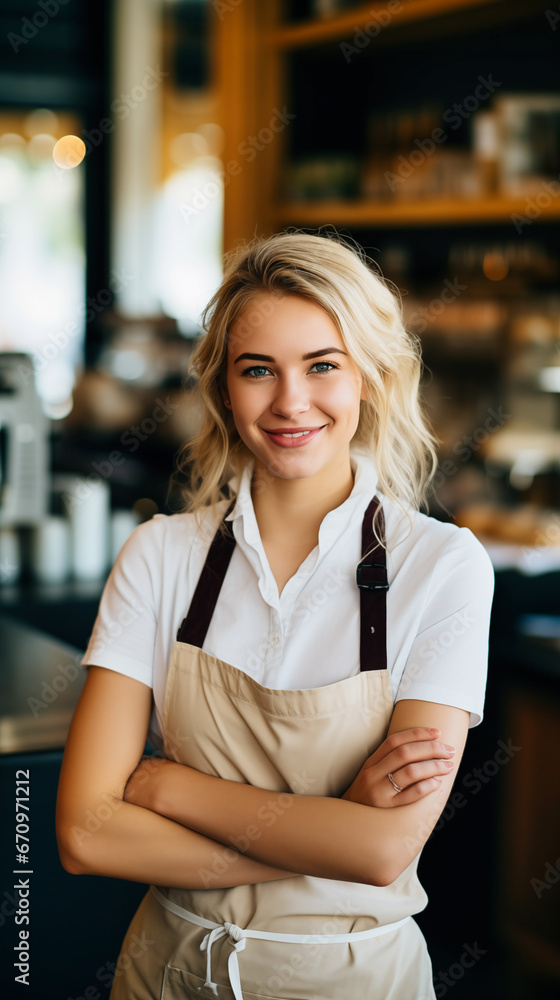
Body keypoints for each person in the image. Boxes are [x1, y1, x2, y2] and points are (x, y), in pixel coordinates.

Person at [56, 230, 495, 1000]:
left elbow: (386, 849)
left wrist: (170, 789)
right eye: (258, 370)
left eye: (322, 365)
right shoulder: (159, 556)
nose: (291, 401)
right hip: (169, 971)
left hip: (354, 980)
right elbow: (85, 835)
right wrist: (328, 834)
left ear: (370, 377)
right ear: (224, 389)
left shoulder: (443, 567)